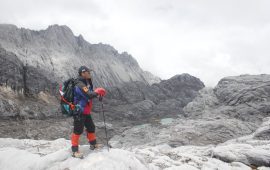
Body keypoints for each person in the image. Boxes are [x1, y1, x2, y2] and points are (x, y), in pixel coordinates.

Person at [71, 66, 106, 158]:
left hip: (85, 110)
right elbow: (89, 95)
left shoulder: (84, 83)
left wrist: (97, 95)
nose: (90, 73)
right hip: (79, 111)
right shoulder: (80, 84)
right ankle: (74, 151)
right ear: (83, 73)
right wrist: (98, 92)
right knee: (78, 130)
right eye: (88, 72)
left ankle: (93, 145)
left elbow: (88, 94)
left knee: (91, 127)